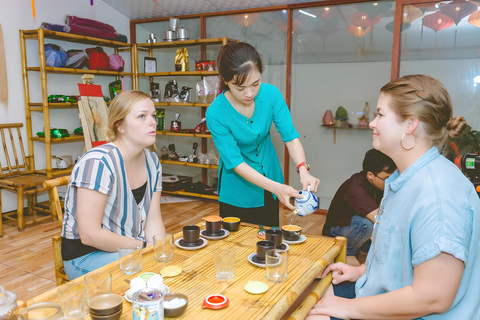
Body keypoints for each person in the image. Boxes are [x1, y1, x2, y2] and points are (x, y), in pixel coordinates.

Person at [307, 74, 480, 320]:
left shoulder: (439, 194)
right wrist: (362, 272)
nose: (372, 123)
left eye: (380, 114)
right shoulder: (405, 176)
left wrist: (346, 308)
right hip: (378, 297)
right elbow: (405, 256)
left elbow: (434, 296)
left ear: (410, 124)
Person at [206, 42, 320, 226]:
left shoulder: (271, 94)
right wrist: (277, 188)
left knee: (268, 242)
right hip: (237, 187)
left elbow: (290, 136)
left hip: (271, 177)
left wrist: (303, 170)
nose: (249, 93)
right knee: (236, 245)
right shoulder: (215, 113)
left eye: (255, 83)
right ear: (225, 80)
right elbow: (235, 162)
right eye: (240, 88)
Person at [61, 90, 166, 279]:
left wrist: (159, 250)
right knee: (148, 274)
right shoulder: (98, 162)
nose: (152, 122)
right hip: (86, 256)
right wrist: (142, 247)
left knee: (166, 265)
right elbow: (90, 235)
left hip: (130, 249)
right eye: (142, 116)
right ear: (120, 126)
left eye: (153, 115)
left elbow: (153, 220)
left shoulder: (152, 161)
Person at [322, 149, 396, 262]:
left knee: (377, 226)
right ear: (370, 175)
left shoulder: (379, 184)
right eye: (386, 178)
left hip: (356, 227)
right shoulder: (355, 186)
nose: (390, 182)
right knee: (368, 224)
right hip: (336, 230)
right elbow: (378, 218)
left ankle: (362, 252)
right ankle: (348, 252)